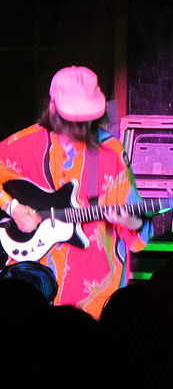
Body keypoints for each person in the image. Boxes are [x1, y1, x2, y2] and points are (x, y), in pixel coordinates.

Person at [0, 65, 150, 318]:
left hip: (96, 290)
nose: (77, 129)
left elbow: (135, 231)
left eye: (83, 121)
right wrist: (11, 207)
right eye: (70, 120)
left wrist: (131, 221)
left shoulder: (110, 151)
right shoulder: (23, 144)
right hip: (35, 283)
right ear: (52, 109)